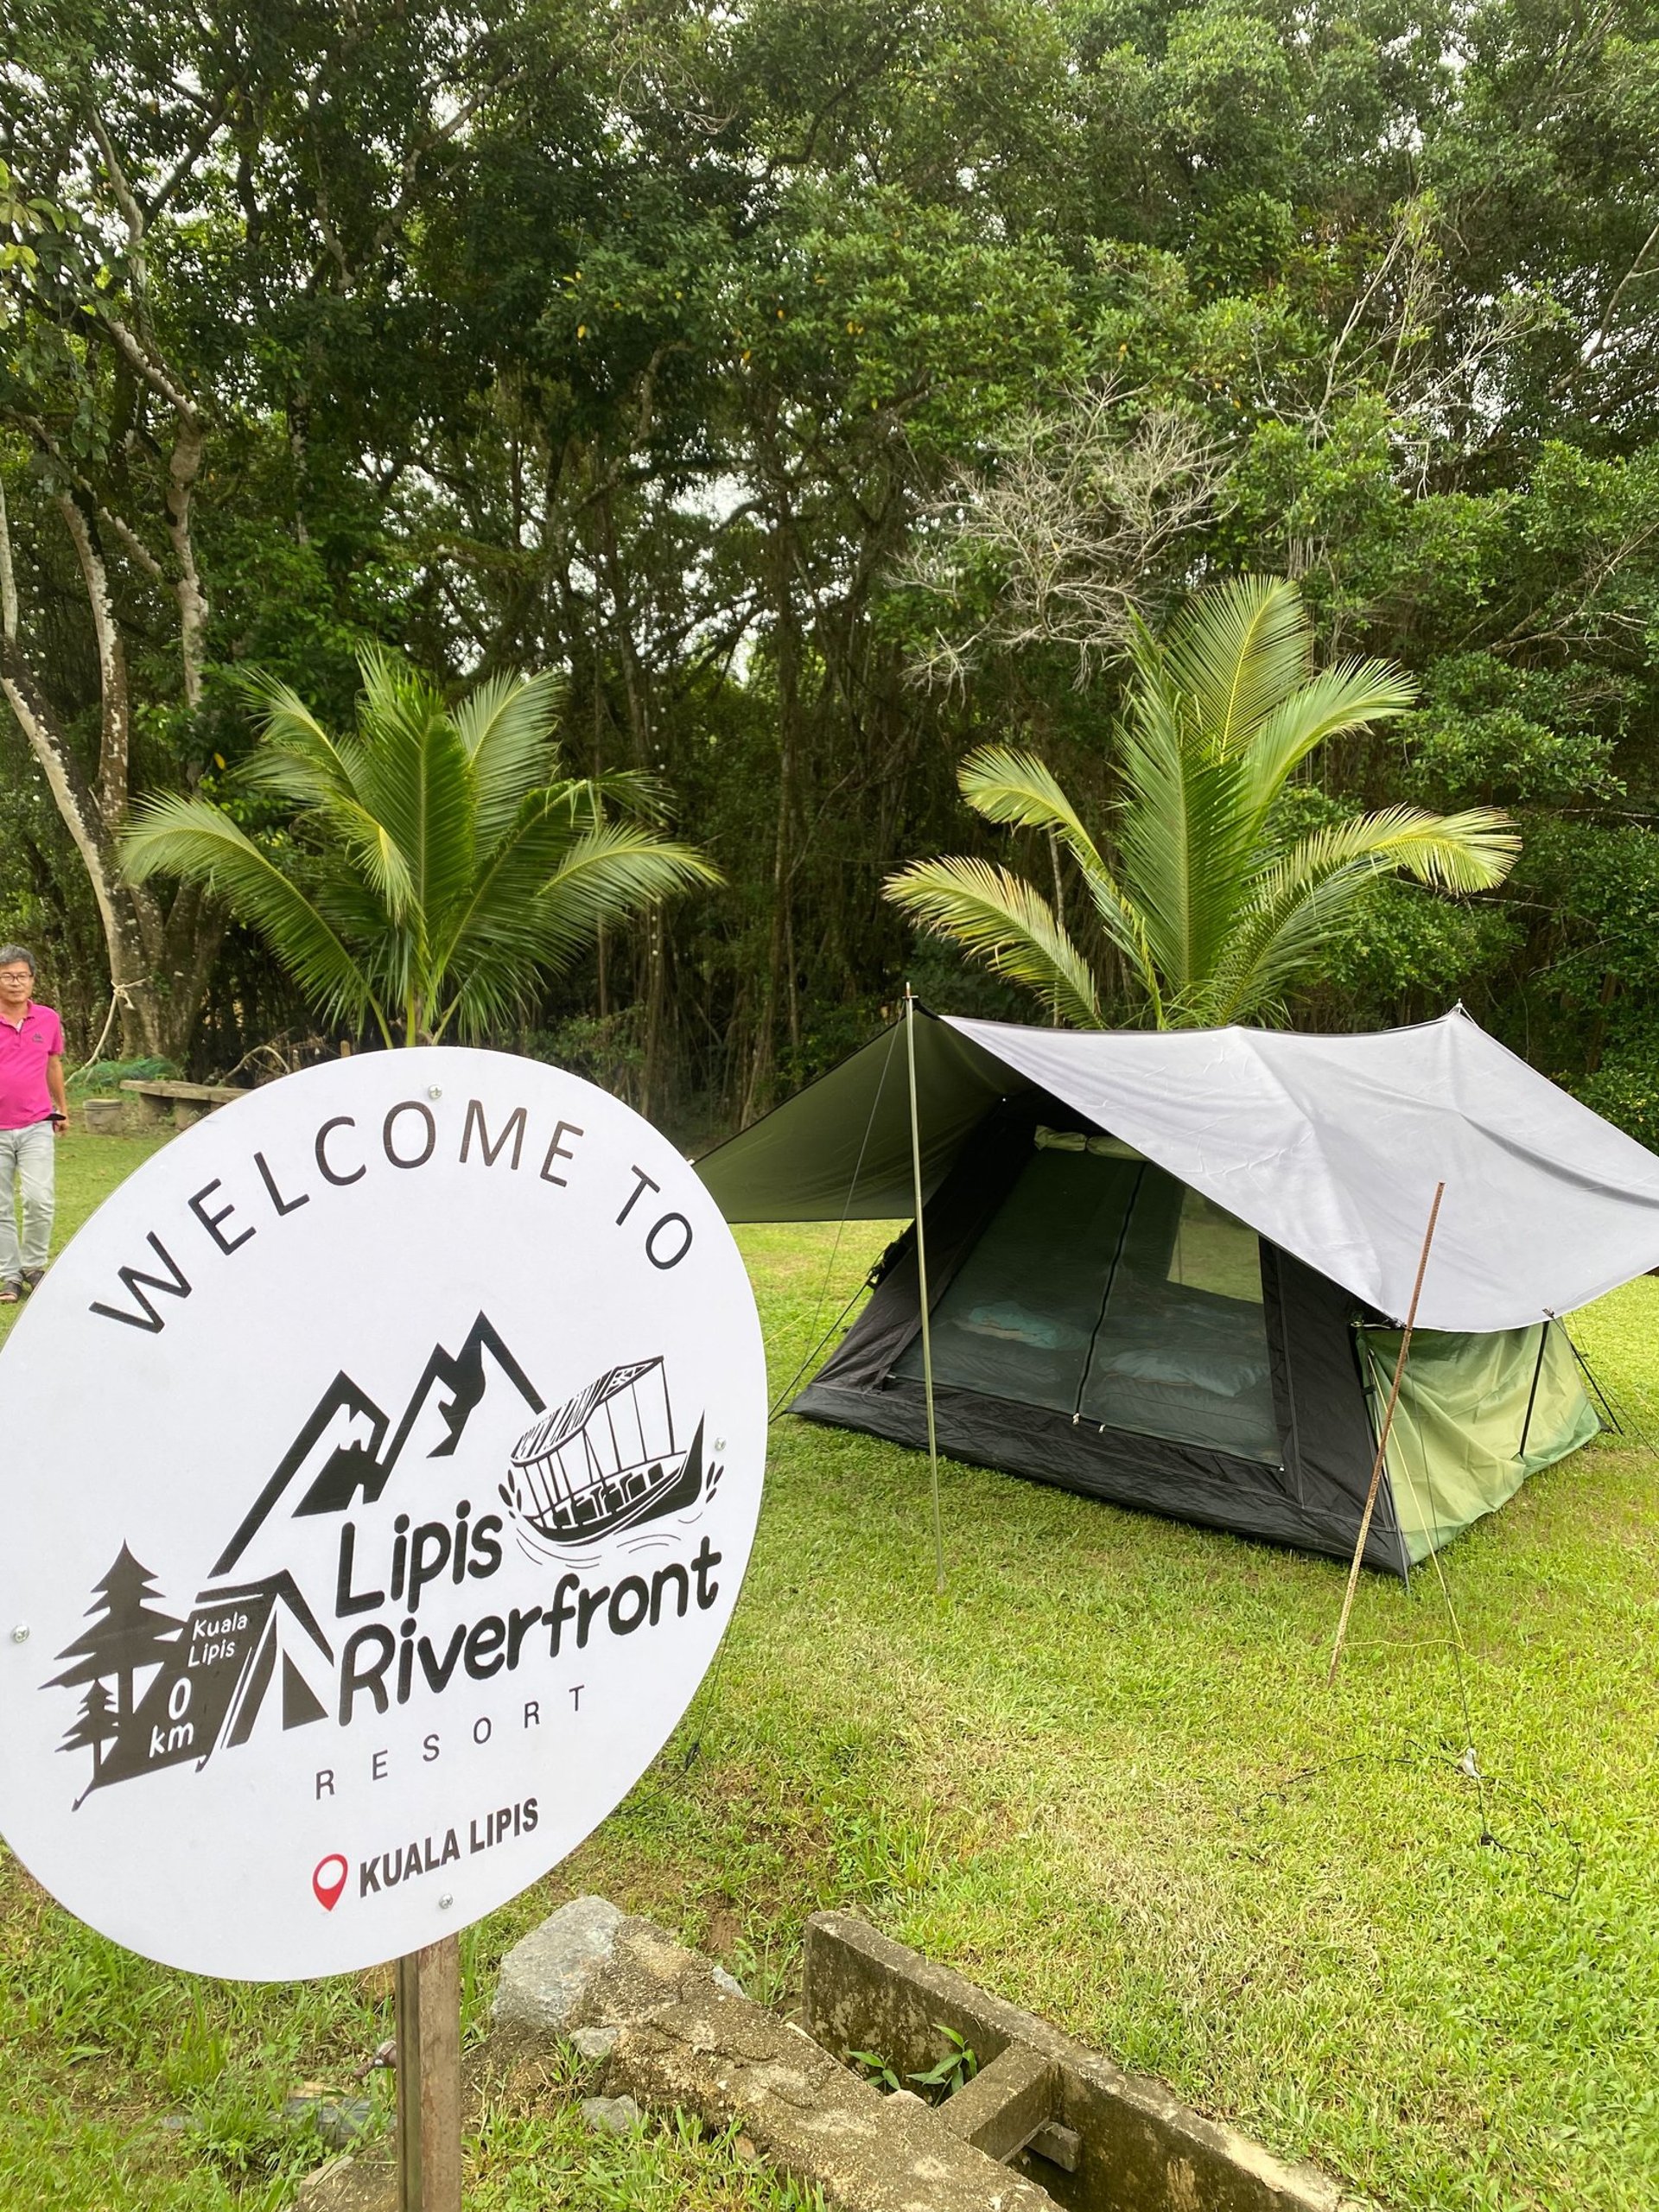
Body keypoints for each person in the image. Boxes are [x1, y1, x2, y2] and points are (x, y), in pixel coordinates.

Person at [0, 945, 67, 1304]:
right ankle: (9, 1275)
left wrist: (63, 1107)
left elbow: (53, 1064)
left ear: (32, 980)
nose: (15, 983)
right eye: (8, 976)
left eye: (22, 976)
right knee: (1, 1207)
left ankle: (34, 1266)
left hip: (37, 1121)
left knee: (39, 1199)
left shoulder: (47, 1019)